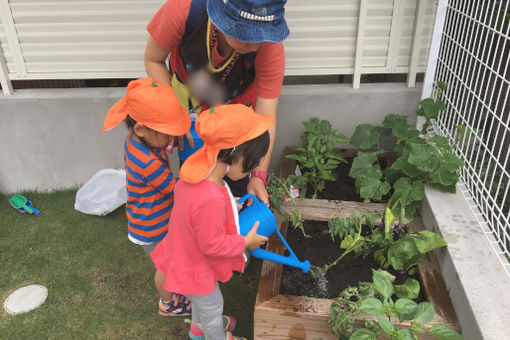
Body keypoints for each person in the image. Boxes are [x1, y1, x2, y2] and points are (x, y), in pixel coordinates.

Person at [144, 0, 289, 203]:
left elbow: (266, 117)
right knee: (196, 185)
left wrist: (258, 176)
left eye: (262, 39)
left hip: (236, 124)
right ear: (223, 17)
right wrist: (174, 115)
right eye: (248, 38)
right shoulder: (184, 10)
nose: (256, 46)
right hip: (190, 114)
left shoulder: (270, 48)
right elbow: (153, 59)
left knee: (235, 188)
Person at [151, 104, 271, 340]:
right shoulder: (210, 198)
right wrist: (246, 241)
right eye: (253, 163)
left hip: (181, 251)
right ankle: (215, 335)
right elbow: (212, 245)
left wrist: (230, 204)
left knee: (201, 303)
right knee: (213, 307)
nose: (255, 168)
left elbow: (197, 209)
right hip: (195, 266)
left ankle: (198, 329)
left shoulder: (200, 168)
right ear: (236, 155)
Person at [103, 77, 193, 316]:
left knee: (169, 262)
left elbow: (159, 143)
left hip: (146, 217)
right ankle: (168, 303)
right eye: (167, 133)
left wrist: (169, 139)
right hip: (152, 227)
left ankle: (172, 294)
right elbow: (175, 190)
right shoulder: (149, 163)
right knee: (166, 265)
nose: (171, 137)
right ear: (141, 128)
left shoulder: (135, 142)